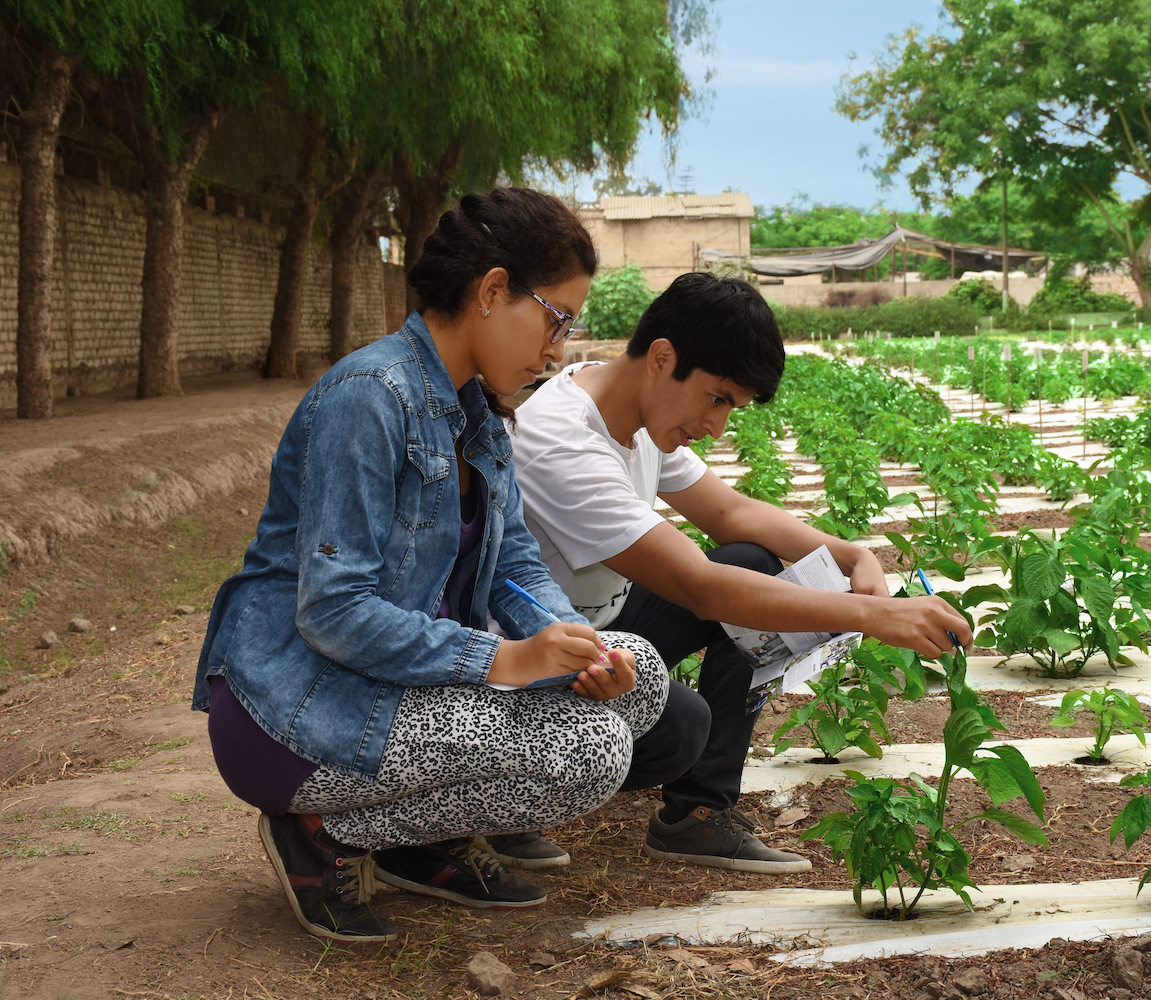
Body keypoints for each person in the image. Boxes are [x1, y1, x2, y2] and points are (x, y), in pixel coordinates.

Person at [191, 188, 668, 944]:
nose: (559, 347)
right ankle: (320, 832)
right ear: (491, 292)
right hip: (296, 712)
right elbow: (333, 610)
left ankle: (418, 842)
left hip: (393, 692)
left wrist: (573, 641)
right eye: (557, 318)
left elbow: (512, 565)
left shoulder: (475, 410)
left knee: (637, 674)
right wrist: (503, 659)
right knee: (593, 749)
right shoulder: (368, 398)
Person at [509, 271, 972, 873]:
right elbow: (700, 587)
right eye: (719, 397)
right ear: (663, 358)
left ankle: (696, 817)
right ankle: (502, 802)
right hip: (527, 661)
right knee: (680, 727)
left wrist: (851, 555)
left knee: (754, 561)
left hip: (599, 628)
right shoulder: (563, 439)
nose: (718, 424)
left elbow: (731, 512)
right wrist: (876, 614)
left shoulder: (632, 410)